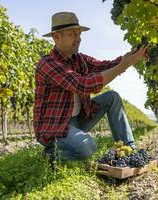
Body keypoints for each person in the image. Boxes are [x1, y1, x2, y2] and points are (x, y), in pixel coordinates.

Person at [34, 12, 147, 162]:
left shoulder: (78, 59)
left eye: (79, 34)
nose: (78, 39)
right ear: (56, 37)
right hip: (55, 127)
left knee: (112, 97)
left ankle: (129, 149)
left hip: (78, 120)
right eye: (72, 34)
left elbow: (105, 66)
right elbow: (83, 85)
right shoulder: (48, 64)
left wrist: (129, 57)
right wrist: (124, 65)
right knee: (88, 147)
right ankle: (50, 153)